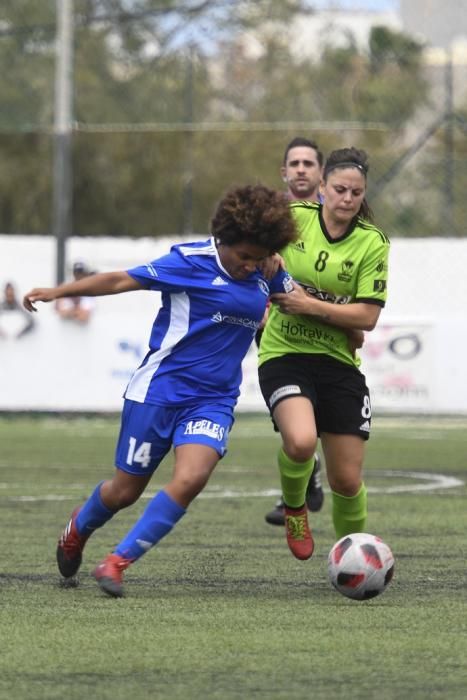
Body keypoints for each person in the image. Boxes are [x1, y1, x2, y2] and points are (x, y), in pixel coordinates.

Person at [23, 184, 297, 598]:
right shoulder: (189, 261)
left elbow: (298, 301)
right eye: (244, 257)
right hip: (158, 391)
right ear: (223, 240)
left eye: (259, 258)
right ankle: (77, 530)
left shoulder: (268, 269)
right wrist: (58, 292)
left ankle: (116, 563)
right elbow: (120, 280)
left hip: (214, 400)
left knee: (191, 478)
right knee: (124, 491)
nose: (250, 266)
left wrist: (344, 323)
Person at [258, 147, 390, 561]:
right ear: (322, 188)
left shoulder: (373, 242)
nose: (347, 199)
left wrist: (312, 305)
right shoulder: (293, 220)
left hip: (338, 363)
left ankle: (353, 557)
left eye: (356, 192)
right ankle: (295, 507)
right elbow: (249, 253)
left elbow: (367, 316)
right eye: (339, 190)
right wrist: (267, 258)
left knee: (347, 480)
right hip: (285, 352)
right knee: (300, 442)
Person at [262, 136, 326, 526]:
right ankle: (301, 488)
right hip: (275, 331)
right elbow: (250, 266)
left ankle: (310, 481)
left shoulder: (337, 216)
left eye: (308, 163)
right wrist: (261, 309)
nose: (301, 169)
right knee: (291, 423)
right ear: (283, 172)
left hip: (324, 334)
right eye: (294, 163)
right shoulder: (268, 219)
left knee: (321, 418)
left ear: (321, 174)